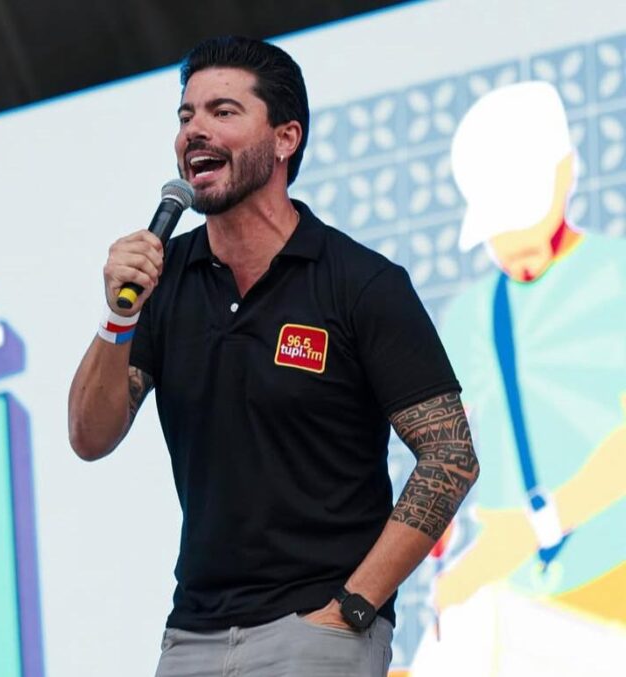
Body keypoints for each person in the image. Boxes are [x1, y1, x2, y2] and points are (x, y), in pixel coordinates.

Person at [68, 36, 479, 677]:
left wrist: (353, 608)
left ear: (286, 138)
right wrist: (119, 315)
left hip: (317, 631)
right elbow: (90, 437)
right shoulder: (163, 280)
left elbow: (450, 455)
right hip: (191, 635)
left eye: (223, 111)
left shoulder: (359, 283)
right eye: (186, 115)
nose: (194, 130)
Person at [432, 81, 626, 626]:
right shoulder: (470, 314)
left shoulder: (615, 273)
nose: (512, 243)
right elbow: (446, 444)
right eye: (497, 227)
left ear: (566, 173)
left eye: (521, 213)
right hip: (509, 598)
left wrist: (536, 527)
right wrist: (434, 516)